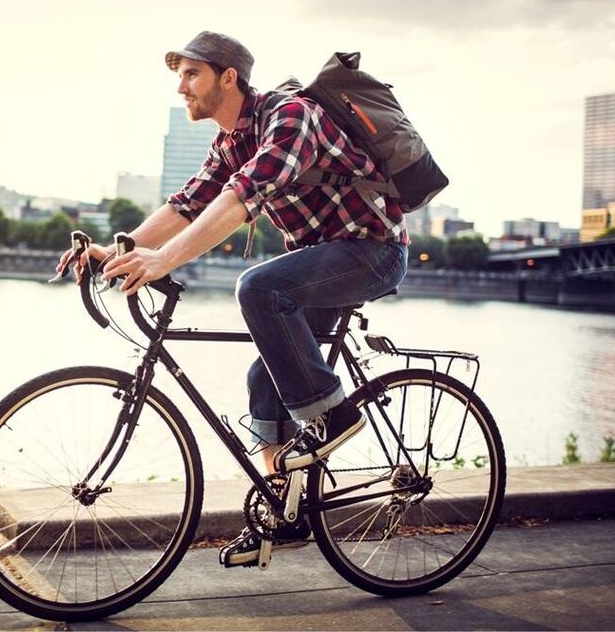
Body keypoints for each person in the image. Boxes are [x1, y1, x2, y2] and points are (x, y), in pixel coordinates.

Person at [56, 31, 409, 567]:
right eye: (179, 76)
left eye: (192, 74)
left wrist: (164, 261)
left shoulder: (291, 116)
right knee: (263, 380)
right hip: (321, 263)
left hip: (371, 252)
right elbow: (188, 204)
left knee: (259, 287)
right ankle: (288, 516)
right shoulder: (228, 142)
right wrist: (117, 250)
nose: (181, 87)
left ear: (229, 78)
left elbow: (243, 197)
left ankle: (336, 419)